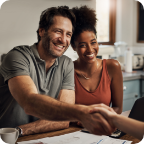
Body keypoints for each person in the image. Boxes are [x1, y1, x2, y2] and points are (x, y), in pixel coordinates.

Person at [0, 6, 115, 136]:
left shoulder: (66, 64)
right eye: (58, 31)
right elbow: (29, 102)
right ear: (42, 31)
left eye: (68, 34)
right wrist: (81, 112)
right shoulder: (17, 56)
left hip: (39, 136)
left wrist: (21, 131)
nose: (63, 39)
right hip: (7, 137)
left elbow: (64, 120)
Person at [71, 6, 123, 114]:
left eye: (93, 42)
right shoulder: (68, 70)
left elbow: (117, 108)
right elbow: (64, 111)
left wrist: (96, 121)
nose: (90, 50)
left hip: (102, 127)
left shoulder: (113, 67)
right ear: (73, 47)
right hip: (75, 129)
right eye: (82, 45)